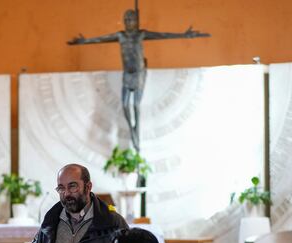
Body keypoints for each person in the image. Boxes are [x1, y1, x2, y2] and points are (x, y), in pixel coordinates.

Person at [68, 9, 209, 152]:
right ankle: (133, 130)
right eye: (126, 20)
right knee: (124, 106)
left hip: (139, 74)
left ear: (136, 22)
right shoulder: (120, 36)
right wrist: (85, 41)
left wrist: (185, 35)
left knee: (135, 106)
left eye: (131, 20)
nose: (129, 23)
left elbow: (163, 36)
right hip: (127, 74)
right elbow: (101, 39)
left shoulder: (141, 34)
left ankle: (136, 136)